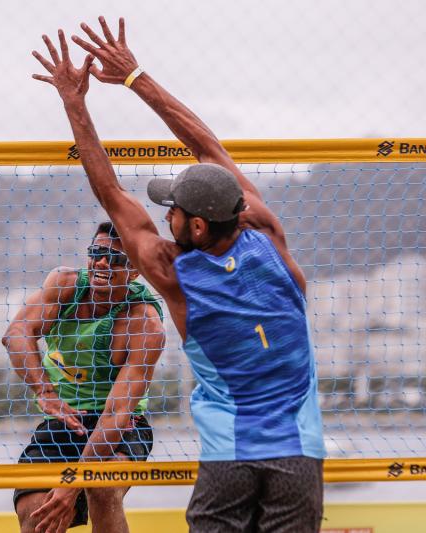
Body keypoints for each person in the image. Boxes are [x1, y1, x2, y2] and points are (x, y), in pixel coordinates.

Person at [31, 17, 326, 533]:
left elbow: (112, 195)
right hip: (299, 455)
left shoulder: (175, 274)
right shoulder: (267, 234)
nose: (164, 216)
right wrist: (135, 75)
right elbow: (208, 148)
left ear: (194, 224)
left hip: (230, 459)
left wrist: (75, 104)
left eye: (171, 210)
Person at [3, 221, 165, 533]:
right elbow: (16, 333)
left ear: (134, 271)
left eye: (114, 258)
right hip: (65, 419)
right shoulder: (64, 284)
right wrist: (45, 392)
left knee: (101, 489)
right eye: (96, 253)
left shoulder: (143, 323)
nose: (102, 262)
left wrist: (72, 483)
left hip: (120, 424)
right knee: (35, 511)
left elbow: (117, 414)